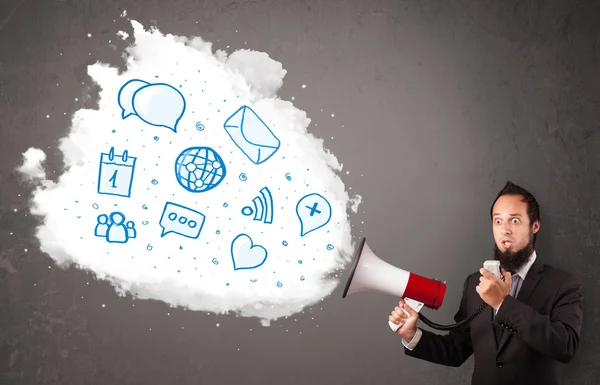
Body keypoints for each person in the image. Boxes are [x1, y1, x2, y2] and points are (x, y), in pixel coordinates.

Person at [389, 181, 583, 385]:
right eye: (498, 221)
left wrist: (502, 304)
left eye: (515, 221)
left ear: (535, 226)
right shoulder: (475, 282)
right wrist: (412, 334)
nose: (504, 230)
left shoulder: (563, 283)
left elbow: (565, 346)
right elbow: (456, 350)